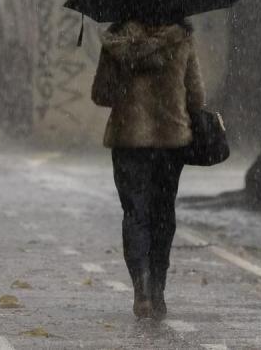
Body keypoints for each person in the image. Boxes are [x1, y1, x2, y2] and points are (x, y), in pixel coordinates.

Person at [91, 18, 205, 320]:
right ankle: (158, 289)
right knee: (163, 213)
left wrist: (126, 77)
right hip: (171, 140)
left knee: (135, 214)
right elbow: (196, 96)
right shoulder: (181, 38)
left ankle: (140, 290)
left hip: (129, 140)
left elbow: (101, 94)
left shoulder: (116, 41)